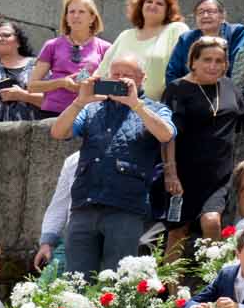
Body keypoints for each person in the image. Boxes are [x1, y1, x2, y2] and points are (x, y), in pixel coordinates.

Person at [49, 56, 175, 273]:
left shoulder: (155, 109)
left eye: (128, 77)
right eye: (116, 75)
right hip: (84, 204)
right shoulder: (91, 108)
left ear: (142, 79)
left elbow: (166, 134)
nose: (120, 80)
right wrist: (80, 101)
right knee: (77, 278)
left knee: (116, 281)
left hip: (126, 207)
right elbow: (58, 132)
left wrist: (136, 105)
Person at [163, 36, 244, 245]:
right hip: (183, 175)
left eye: (219, 61)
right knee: (177, 232)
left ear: (226, 65)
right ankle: (171, 278)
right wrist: (170, 173)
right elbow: (168, 134)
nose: (213, 65)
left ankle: (213, 272)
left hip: (217, 175)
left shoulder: (229, 86)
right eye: (207, 60)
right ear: (193, 61)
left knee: (212, 222)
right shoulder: (177, 89)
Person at [31, 0, 111, 120]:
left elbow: (111, 86)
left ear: (92, 18)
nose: (76, 16)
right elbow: (32, 86)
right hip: (53, 112)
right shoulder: (52, 45)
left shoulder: (106, 48)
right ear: (66, 18)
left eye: (81, 12)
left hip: (88, 113)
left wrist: (88, 85)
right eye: (71, 12)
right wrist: (62, 83)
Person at [106, 0, 190, 99]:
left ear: (168, 10)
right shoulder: (125, 35)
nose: (153, 6)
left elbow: (186, 68)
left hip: (155, 108)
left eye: (159, 4)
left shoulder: (176, 30)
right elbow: (104, 70)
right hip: (115, 105)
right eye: (149, 1)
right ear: (141, 6)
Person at [162, 0, 244, 84]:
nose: (205, 16)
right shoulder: (186, 38)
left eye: (210, 12)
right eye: (200, 12)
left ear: (222, 16)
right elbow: (172, 73)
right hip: (189, 92)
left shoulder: (237, 32)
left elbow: (237, 67)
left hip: (224, 91)